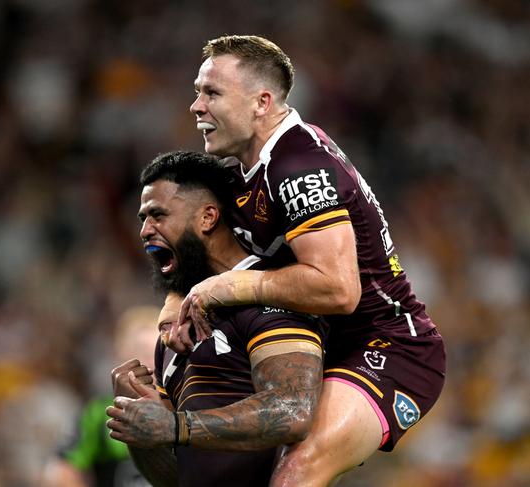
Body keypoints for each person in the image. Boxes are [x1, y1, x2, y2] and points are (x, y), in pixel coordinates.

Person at [173, 35, 446, 486]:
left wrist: (228, 288)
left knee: (297, 472)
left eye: (211, 93)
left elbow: (338, 289)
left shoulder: (299, 166)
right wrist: (176, 299)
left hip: (386, 346)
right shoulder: (245, 165)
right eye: (198, 91)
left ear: (261, 103)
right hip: (313, 343)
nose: (195, 106)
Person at [106, 151, 328, 487]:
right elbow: (176, 477)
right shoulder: (173, 332)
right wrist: (139, 427)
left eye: (158, 215)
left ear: (208, 217)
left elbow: (293, 411)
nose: (144, 231)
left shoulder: (269, 294)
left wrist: (178, 426)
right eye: (142, 219)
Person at [42, 305, 160, 487]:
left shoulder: (186, 407)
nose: (151, 362)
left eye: (158, 352)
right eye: (142, 351)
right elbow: (62, 470)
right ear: (121, 353)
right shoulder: (99, 413)